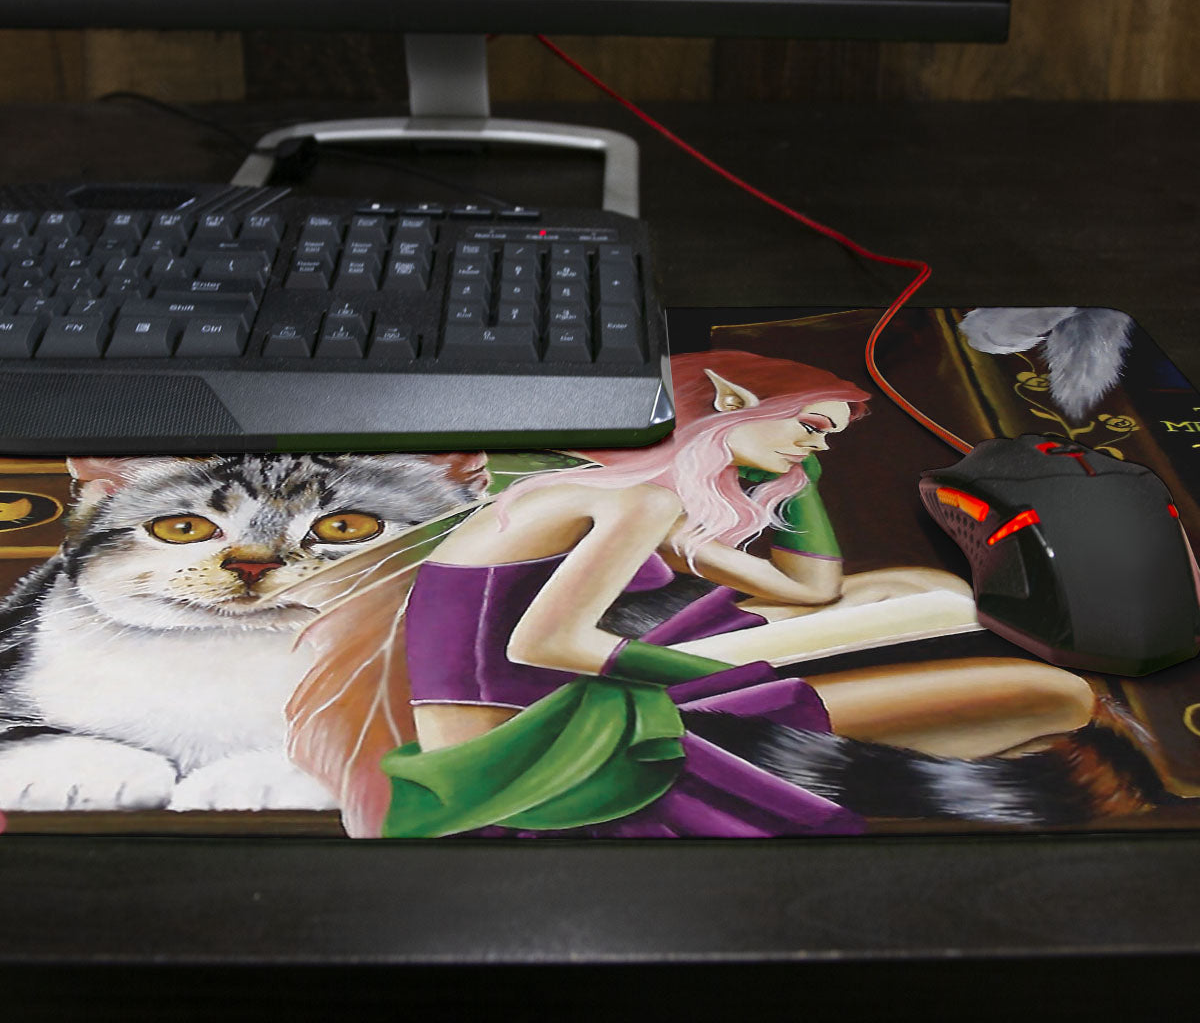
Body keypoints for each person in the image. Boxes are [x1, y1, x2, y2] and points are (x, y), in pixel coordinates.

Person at [374, 350, 1098, 839]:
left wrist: (798, 481)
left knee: (924, 589)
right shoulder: (639, 503)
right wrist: (752, 675)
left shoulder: (610, 493)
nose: (819, 445)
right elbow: (547, 642)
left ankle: (886, 725)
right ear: (729, 401)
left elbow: (811, 588)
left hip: (535, 711)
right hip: (549, 746)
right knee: (1060, 697)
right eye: (811, 427)